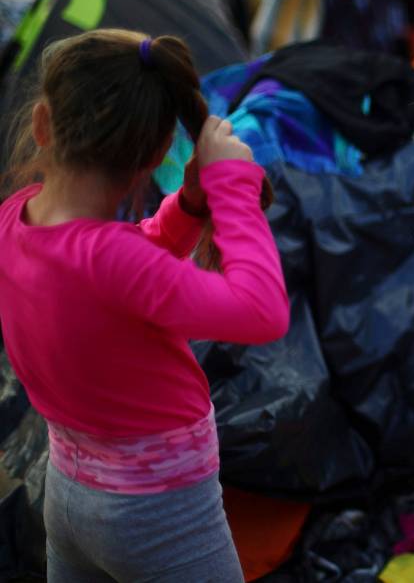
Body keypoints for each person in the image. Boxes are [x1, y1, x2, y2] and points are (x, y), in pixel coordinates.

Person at [0, 29, 289, 582]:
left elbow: (124, 272)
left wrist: (188, 205)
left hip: (68, 495)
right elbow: (262, 311)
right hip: (161, 513)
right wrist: (230, 185)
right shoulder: (109, 258)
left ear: (41, 125)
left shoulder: (17, 217)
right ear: (157, 152)